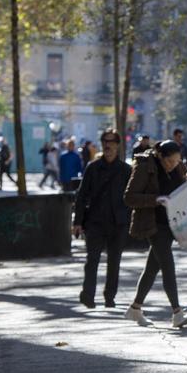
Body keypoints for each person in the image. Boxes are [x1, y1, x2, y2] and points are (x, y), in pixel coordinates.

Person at [123, 140, 187, 328]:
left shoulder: (177, 166)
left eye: (177, 161)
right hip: (153, 224)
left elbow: (185, 192)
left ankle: (135, 308)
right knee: (167, 265)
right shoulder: (144, 166)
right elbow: (129, 197)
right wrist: (156, 199)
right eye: (170, 162)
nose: (173, 165)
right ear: (160, 156)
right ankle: (177, 312)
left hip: (172, 224)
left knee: (152, 268)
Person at [73, 129, 131, 309]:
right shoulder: (92, 167)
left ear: (118, 145)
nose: (108, 145)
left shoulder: (126, 170)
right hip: (95, 222)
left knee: (114, 262)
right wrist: (77, 222)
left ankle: (109, 297)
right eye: (105, 141)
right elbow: (81, 196)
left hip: (118, 223)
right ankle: (88, 295)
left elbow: (132, 197)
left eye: (112, 141)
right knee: (92, 260)